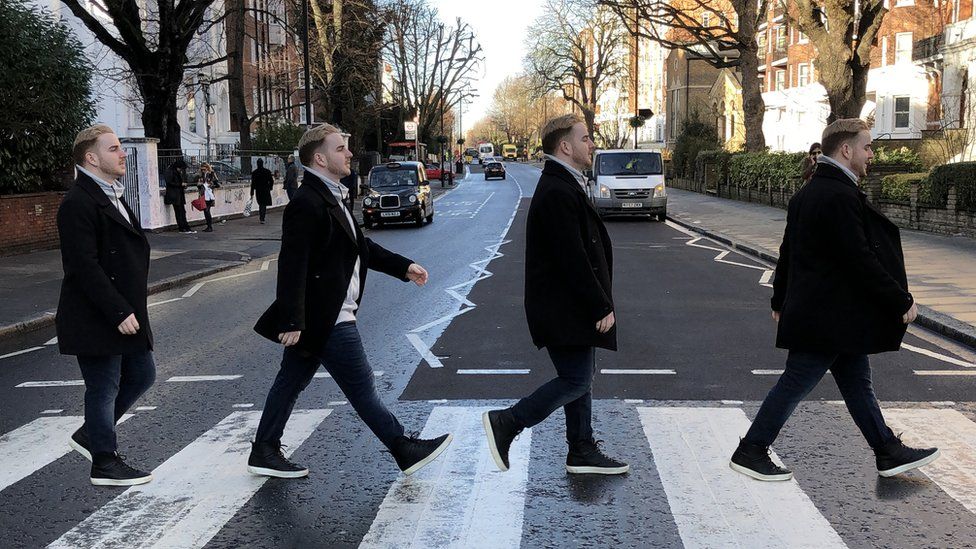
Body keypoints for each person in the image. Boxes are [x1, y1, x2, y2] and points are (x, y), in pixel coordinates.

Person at [729, 118, 940, 482]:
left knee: (857, 382)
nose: (871, 154)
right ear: (846, 150)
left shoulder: (810, 192)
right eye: (867, 147)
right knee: (796, 381)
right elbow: (859, 259)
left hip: (831, 316)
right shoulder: (838, 195)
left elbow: (788, 251)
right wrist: (900, 299)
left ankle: (887, 451)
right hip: (827, 317)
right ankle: (751, 449)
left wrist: (779, 298)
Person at [250, 123, 452, 478]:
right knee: (362, 389)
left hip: (322, 315)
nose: (349, 154)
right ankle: (402, 447)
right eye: (341, 148)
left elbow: (362, 247)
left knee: (290, 383)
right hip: (328, 318)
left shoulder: (333, 195)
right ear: (320, 157)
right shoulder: (308, 202)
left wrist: (404, 267)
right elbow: (292, 264)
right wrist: (292, 320)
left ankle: (264, 449)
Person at [483, 114, 628, 475]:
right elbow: (572, 258)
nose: (591, 144)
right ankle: (508, 422)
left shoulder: (565, 184)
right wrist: (599, 304)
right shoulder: (558, 190)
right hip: (566, 307)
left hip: (567, 305)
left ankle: (580, 448)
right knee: (576, 379)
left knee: (581, 377)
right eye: (585, 138)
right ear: (565, 146)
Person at [57, 124, 156, 486]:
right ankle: (104, 460)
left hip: (124, 310)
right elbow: (83, 266)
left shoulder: (110, 193)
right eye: (114, 149)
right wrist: (118, 310)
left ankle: (90, 434)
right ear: (91, 157)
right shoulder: (78, 202)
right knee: (103, 386)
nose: (122, 153)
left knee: (143, 374)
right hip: (97, 315)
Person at [164, 158, 194, 233]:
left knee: (182, 211)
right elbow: (169, 182)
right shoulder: (170, 171)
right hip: (174, 195)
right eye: (180, 168)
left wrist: (183, 185)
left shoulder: (178, 172)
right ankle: (182, 227)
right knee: (178, 211)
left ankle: (186, 226)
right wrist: (180, 184)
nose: (180, 170)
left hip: (179, 194)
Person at [197, 163, 219, 232]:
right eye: (202, 169)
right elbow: (198, 185)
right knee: (205, 211)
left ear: (207, 168)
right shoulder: (201, 175)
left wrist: (210, 185)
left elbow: (217, 184)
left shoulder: (211, 174)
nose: (203, 171)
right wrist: (199, 184)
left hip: (209, 195)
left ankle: (210, 226)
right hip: (203, 194)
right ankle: (208, 226)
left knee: (207, 210)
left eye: (204, 169)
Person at [250, 158, 274, 224]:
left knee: (261, 204)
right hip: (266, 189)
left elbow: (253, 183)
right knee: (264, 204)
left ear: (257, 164)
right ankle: (262, 217)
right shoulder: (267, 171)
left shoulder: (255, 172)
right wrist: (270, 187)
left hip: (258, 190)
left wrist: (251, 192)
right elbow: (271, 181)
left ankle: (262, 217)